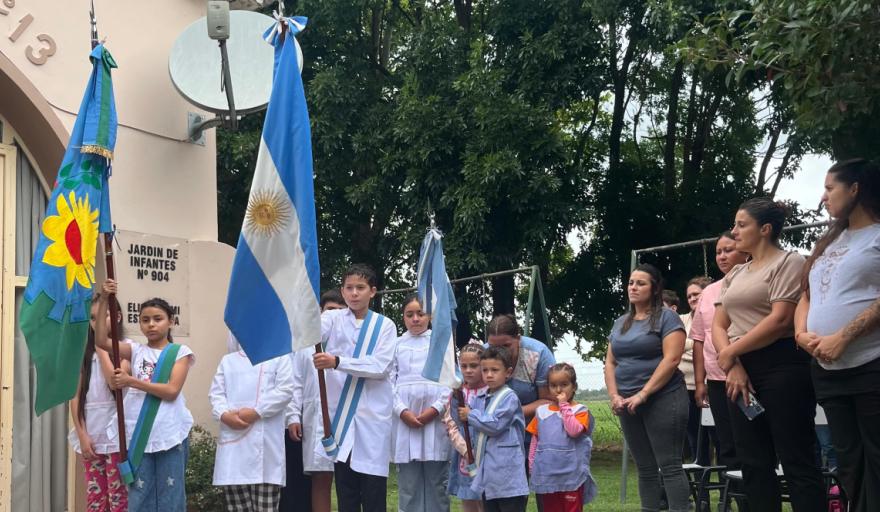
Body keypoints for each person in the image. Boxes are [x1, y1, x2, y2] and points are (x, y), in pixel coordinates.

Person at [713, 197, 825, 512]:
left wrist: (731, 352)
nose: (734, 231)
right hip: (740, 369)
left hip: (782, 365)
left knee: (796, 457)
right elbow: (718, 324)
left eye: (741, 225)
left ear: (765, 229)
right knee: (752, 460)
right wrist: (733, 364)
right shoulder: (736, 274)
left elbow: (780, 320)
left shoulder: (789, 262)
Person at [795, 158, 880, 512]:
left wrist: (843, 337)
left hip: (870, 364)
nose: (824, 197)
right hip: (828, 371)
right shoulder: (828, 241)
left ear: (855, 189)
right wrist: (801, 334)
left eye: (830, 188)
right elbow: (807, 295)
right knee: (848, 461)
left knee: (876, 459)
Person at [96, 280, 195, 512]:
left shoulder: (180, 353)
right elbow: (101, 340)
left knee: (171, 494)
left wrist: (131, 381)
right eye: (145, 320)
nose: (151, 324)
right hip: (139, 433)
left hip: (169, 431)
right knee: (140, 494)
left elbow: (171, 391)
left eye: (158, 319)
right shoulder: (136, 350)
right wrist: (104, 300)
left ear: (171, 321)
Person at [312, 264, 398, 512]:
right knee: (346, 493)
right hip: (341, 419)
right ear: (342, 291)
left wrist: (338, 362)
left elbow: (380, 366)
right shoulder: (332, 319)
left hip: (371, 420)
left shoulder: (385, 325)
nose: (354, 293)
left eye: (360, 287)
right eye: (349, 288)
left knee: (373, 494)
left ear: (373, 291)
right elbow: (309, 333)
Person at [604, 263, 690, 512]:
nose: (633, 287)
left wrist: (643, 394)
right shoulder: (621, 322)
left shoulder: (667, 317)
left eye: (640, 283)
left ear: (654, 289)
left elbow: (671, 359)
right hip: (627, 401)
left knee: (669, 465)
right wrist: (614, 395)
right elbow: (610, 362)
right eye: (631, 282)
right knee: (645, 468)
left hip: (664, 397)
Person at [690, 232, 749, 470]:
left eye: (728, 250)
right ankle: (734, 490)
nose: (722, 256)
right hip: (716, 380)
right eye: (718, 252)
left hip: (749, 376)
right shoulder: (708, 293)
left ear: (745, 251)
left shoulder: (754, 283)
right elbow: (699, 339)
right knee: (726, 445)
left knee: (751, 441)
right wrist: (700, 382)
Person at [282, 290, 345, 512]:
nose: (334, 315)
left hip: (346, 418)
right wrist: (292, 416)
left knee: (348, 482)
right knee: (321, 480)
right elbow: (295, 382)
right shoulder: (306, 345)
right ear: (320, 312)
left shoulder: (350, 342)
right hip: (317, 420)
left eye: (340, 311)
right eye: (330, 310)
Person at [210, 347, 294, 511]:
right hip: (233, 452)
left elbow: (285, 391)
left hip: (266, 453)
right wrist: (224, 415)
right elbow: (216, 394)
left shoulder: (280, 358)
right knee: (237, 507)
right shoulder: (228, 361)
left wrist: (257, 412)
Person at [69, 292, 129, 512]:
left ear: (118, 317)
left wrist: (101, 347)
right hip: (92, 434)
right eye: (93, 318)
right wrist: (82, 434)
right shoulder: (82, 354)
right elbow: (75, 397)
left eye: (103, 316)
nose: (97, 323)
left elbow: (114, 382)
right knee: (95, 498)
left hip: (117, 437)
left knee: (118, 498)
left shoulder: (127, 349)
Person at [391, 294, 452, 512]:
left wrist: (435, 409)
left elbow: (450, 380)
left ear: (430, 316)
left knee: (437, 484)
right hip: (405, 422)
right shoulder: (396, 344)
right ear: (403, 317)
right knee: (409, 486)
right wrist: (402, 411)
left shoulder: (441, 342)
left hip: (435, 420)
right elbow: (388, 382)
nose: (415, 319)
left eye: (420, 313)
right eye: (410, 314)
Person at [458, 346, 528, 512]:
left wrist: (470, 415)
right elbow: (468, 425)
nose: (489, 375)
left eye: (495, 370)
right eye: (485, 370)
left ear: (508, 372)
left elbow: (495, 425)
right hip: (488, 477)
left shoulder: (509, 398)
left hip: (509, 477)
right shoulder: (480, 399)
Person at [526, 363, 597, 511]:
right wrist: (532, 464)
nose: (558, 390)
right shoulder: (541, 412)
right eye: (553, 385)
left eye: (564, 385)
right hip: (548, 475)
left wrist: (564, 406)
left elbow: (574, 431)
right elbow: (535, 440)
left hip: (572, 475)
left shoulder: (580, 411)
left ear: (574, 386)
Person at [443, 342, 487, 512]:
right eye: (464, 366)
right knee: (468, 498)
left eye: (474, 366)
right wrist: (465, 450)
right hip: (465, 454)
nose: (468, 370)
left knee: (485, 500)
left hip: (486, 453)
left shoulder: (491, 392)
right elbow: (451, 424)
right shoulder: (457, 393)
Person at [680, 276, 713, 465]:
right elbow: (672, 345)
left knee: (718, 436)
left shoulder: (715, 316)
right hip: (686, 388)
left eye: (696, 294)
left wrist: (688, 346)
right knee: (695, 439)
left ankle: (727, 479)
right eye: (689, 296)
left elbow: (711, 345)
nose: (692, 298)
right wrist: (697, 345)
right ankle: (702, 482)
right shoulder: (681, 319)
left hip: (711, 386)